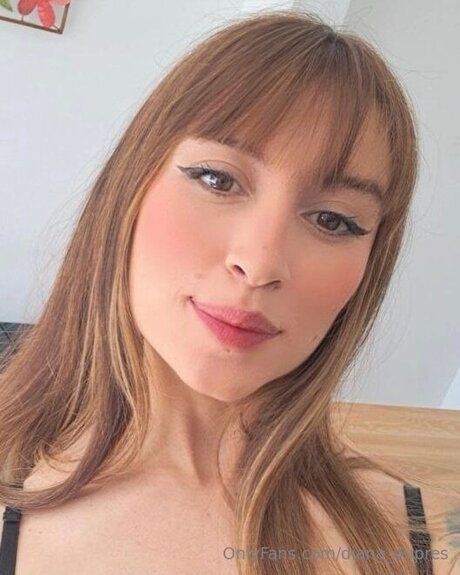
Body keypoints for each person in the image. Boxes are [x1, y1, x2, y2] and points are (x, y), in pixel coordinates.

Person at [0, 8, 459, 575]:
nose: (260, 263)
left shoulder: (426, 543)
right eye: (218, 179)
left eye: (333, 220)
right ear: (131, 185)